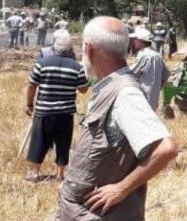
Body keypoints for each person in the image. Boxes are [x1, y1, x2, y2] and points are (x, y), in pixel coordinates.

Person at [55, 16, 178, 220]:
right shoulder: (110, 87)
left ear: (89, 49)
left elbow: (166, 149)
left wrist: (121, 188)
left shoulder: (124, 94)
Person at [25, 32, 88, 182]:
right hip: (65, 112)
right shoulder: (76, 67)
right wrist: (89, 79)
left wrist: (29, 104)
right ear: (69, 50)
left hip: (44, 111)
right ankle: (60, 174)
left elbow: (32, 85)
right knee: (63, 142)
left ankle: (35, 173)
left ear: (54, 48)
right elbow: (83, 89)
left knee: (39, 141)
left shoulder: (42, 63)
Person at [130, 27, 170, 111]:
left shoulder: (144, 55)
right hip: (154, 97)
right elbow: (166, 74)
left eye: (135, 39)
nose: (133, 41)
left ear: (141, 42)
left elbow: (131, 74)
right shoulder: (157, 55)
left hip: (142, 97)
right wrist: (157, 89)